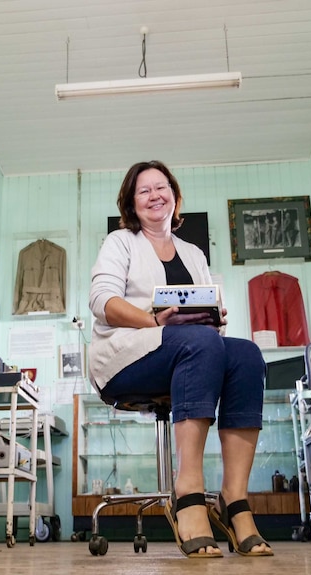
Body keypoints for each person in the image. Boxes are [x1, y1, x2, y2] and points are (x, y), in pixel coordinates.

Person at [88, 160, 273, 558]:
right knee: (200, 342)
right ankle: (187, 491)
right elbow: (102, 302)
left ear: (174, 194)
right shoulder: (120, 243)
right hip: (126, 358)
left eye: (162, 187)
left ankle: (233, 498)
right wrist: (152, 320)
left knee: (245, 354)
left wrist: (214, 319)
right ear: (131, 203)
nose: (155, 195)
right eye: (144, 190)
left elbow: (207, 318)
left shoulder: (193, 253)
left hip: (188, 351)